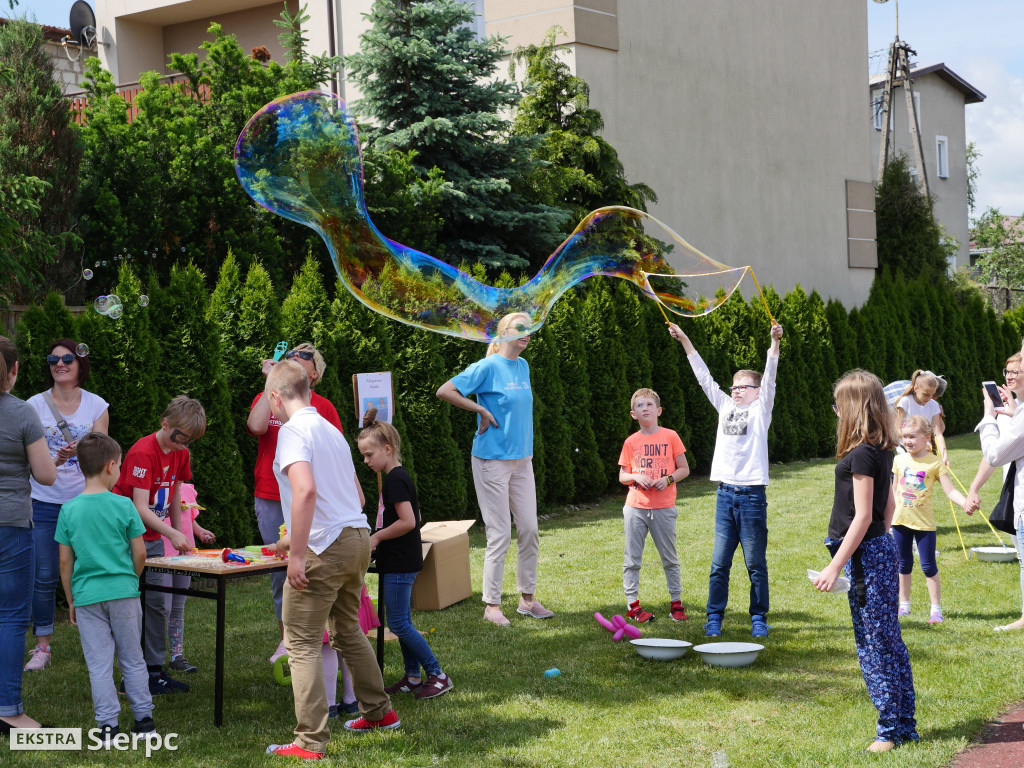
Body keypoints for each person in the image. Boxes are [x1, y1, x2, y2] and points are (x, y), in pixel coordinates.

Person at [263, 361, 397, 760]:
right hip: (356, 539)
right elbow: (354, 499)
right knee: (347, 631)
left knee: (300, 640)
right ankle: (378, 713)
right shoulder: (331, 430)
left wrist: (298, 553)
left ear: (276, 398)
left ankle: (309, 742)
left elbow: (304, 492)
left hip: (325, 548)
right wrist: (296, 542)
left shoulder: (290, 432)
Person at [813, 369, 917, 753]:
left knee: (874, 644)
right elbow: (887, 508)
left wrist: (835, 565)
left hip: (864, 559)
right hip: (879, 552)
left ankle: (889, 731)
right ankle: (904, 725)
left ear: (854, 408)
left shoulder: (860, 454)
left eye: (839, 404)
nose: (835, 410)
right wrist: (880, 542)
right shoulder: (882, 450)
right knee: (889, 642)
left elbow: (861, 516)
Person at [667, 320, 783, 638]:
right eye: (733, 386)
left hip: (752, 497)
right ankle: (714, 617)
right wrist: (686, 341)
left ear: (756, 392)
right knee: (719, 564)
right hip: (724, 495)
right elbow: (704, 378)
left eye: (742, 386)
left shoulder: (762, 410)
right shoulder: (725, 407)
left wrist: (774, 344)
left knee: (755, 564)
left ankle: (758, 617)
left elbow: (771, 377)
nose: (735, 390)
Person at [436, 312, 552, 627]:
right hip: (492, 461)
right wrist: (480, 409)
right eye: (521, 328)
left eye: (530, 328)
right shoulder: (486, 367)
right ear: (503, 333)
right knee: (499, 532)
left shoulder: (523, 366)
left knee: (528, 528)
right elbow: (445, 390)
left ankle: (527, 600)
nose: (527, 333)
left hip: (522, 460)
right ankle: (492, 605)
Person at [55, 432, 157, 741]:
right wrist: (131, 576)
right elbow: (140, 553)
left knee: (98, 663)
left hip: (86, 597)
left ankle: (108, 727)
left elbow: (64, 563)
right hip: (124, 592)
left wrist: (71, 600)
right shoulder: (124, 506)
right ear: (111, 466)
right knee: (132, 658)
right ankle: (144, 722)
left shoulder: (68, 510)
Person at [247, 342, 343, 663]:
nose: (294, 362)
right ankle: (286, 639)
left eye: (304, 360)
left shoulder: (325, 409)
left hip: (307, 499)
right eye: (289, 359)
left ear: (314, 375)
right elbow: (256, 426)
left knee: (313, 568)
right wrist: (269, 383)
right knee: (281, 573)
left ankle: (318, 636)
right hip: (271, 496)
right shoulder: (268, 398)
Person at [25, 339, 109, 672]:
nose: (60, 363)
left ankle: (97, 639)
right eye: (53, 359)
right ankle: (42, 646)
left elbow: (105, 457)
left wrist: (83, 451)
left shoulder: (96, 405)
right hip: (43, 502)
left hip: (85, 502)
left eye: (67, 358)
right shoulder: (33, 405)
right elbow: (27, 458)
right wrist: (54, 458)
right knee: (44, 576)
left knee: (94, 572)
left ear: (80, 363)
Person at [113, 395, 206, 696]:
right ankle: (132, 674)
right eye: (182, 437)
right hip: (126, 537)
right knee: (131, 606)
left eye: (190, 440)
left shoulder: (181, 453)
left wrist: (177, 536)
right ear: (165, 424)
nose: (185, 445)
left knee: (154, 604)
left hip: (153, 538)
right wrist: (172, 534)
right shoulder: (143, 452)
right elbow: (139, 507)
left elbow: (176, 495)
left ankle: (153, 672)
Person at [357, 418, 453, 699]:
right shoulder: (400, 476)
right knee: (402, 621)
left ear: (387, 449)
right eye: (362, 455)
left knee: (398, 624)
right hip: (400, 560)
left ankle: (437, 674)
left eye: (369, 454)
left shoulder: (394, 480)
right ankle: (412, 676)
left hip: (400, 563)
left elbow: (409, 521)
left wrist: (376, 538)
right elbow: (417, 516)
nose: (365, 461)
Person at [0, 335, 57, 734]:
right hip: (11, 526)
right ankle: (8, 709)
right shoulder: (22, 414)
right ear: (14, 371)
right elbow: (46, 475)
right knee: (9, 617)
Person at [616, 387, 690, 623]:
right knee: (632, 559)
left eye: (649, 405)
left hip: (664, 508)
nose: (645, 408)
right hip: (635, 508)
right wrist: (636, 477)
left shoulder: (670, 436)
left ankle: (676, 604)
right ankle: (633, 606)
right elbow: (622, 476)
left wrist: (667, 479)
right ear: (633, 414)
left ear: (658, 410)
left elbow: (684, 469)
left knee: (669, 558)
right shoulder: (631, 442)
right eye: (640, 406)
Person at [965, 353, 1024, 631]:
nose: (1010, 376)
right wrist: (974, 487)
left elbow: (995, 453)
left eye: (1017, 370)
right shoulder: (1016, 411)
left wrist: (989, 416)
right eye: (1007, 371)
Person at [891, 415, 968, 624]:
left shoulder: (934, 462)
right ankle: (903, 606)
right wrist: (888, 514)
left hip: (924, 524)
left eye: (912, 437)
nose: (907, 441)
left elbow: (950, 491)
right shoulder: (899, 460)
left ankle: (936, 610)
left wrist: (965, 502)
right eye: (904, 437)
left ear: (926, 437)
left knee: (928, 566)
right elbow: (894, 489)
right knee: (902, 565)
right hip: (899, 522)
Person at [158, 483, 215, 673]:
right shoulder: (158, 488)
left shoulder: (188, 489)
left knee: (177, 607)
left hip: (184, 557)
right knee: (162, 608)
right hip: (162, 557)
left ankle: (176, 655)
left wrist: (200, 531)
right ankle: (154, 658)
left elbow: (189, 519)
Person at [893, 370, 948, 464]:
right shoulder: (905, 402)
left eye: (932, 395)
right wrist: (917, 441)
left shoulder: (933, 405)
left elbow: (937, 433)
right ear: (915, 388)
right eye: (926, 394)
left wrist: (944, 455)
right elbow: (896, 429)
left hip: (923, 448)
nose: (929, 399)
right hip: (905, 449)